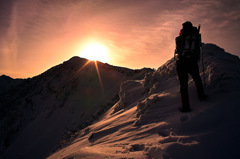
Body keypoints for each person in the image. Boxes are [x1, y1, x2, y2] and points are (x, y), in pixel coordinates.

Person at [175, 21, 207, 112]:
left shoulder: (181, 36)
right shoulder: (195, 36)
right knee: (197, 79)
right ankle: (202, 96)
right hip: (192, 61)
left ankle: (186, 107)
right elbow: (199, 47)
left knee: (183, 85)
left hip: (182, 62)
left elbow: (177, 48)